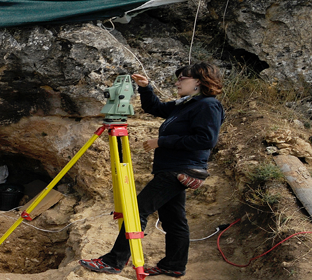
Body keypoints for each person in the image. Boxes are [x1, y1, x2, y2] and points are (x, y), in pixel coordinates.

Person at [80, 62, 225, 278]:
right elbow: (155, 109)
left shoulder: (207, 105)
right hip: (172, 168)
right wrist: (145, 88)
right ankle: (173, 265)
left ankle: (114, 261)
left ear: (198, 81)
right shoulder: (186, 104)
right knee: (174, 219)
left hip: (180, 169)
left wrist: (162, 141)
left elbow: (206, 140)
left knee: (136, 211)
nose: (177, 82)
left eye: (182, 78)